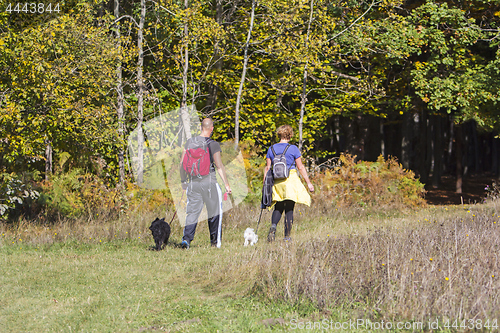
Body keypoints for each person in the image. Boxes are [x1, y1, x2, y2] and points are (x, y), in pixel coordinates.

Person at [180, 118, 231, 248]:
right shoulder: (213, 144)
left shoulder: (190, 142)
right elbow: (219, 166)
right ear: (211, 128)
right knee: (214, 213)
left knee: (192, 213)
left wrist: (183, 181)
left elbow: (182, 164)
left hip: (193, 183)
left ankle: (186, 239)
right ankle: (215, 243)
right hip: (209, 183)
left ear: (201, 127)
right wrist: (226, 184)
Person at [263, 125, 314, 242]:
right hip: (290, 180)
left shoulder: (271, 149)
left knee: (278, 207)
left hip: (277, 182)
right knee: (289, 208)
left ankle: (273, 227)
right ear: (290, 135)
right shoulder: (293, 149)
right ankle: (286, 237)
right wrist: (309, 183)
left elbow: (267, 168)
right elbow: (300, 167)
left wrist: (265, 185)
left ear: (279, 135)